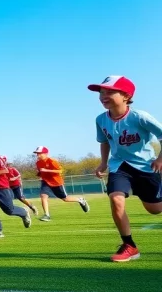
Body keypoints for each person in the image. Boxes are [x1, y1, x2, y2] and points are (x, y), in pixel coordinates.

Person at [89, 76, 162, 262]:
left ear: (126, 96)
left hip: (146, 167)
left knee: (155, 210)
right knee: (116, 199)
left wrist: (160, 159)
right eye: (101, 92)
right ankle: (130, 246)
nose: (103, 96)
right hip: (119, 166)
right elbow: (105, 141)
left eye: (110, 91)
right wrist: (103, 163)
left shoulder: (140, 117)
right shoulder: (100, 120)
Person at [33, 146, 90, 221]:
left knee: (65, 199)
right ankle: (47, 215)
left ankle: (80, 200)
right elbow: (41, 171)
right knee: (43, 196)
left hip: (56, 182)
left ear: (46, 153)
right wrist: (39, 174)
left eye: (40, 153)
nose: (38, 155)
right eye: (37, 154)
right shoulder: (38, 163)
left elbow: (60, 171)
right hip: (46, 182)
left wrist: (46, 170)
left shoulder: (52, 161)